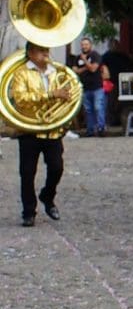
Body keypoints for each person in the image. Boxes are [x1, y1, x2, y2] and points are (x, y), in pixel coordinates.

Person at [9, 41, 78, 223]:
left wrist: (66, 98)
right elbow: (20, 99)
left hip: (52, 129)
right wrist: (50, 95)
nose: (45, 53)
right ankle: (29, 212)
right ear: (30, 53)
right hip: (29, 129)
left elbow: (68, 95)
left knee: (57, 167)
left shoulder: (56, 72)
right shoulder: (21, 73)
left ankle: (47, 196)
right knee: (27, 172)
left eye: (47, 49)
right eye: (41, 50)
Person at [74, 38, 112, 137]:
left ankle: (101, 128)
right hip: (84, 87)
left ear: (90, 45)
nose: (84, 46)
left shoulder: (95, 55)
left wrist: (85, 61)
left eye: (86, 44)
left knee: (98, 107)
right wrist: (87, 67)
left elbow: (93, 69)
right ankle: (90, 130)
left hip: (97, 87)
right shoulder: (77, 58)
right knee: (88, 110)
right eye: (82, 44)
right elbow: (75, 70)